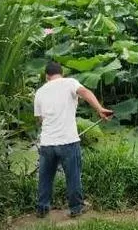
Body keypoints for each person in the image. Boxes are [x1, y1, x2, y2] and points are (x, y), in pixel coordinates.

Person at [33, 61, 113, 218]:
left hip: (47, 143)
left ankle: (42, 208)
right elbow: (85, 92)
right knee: (73, 176)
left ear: (46, 76)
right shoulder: (70, 82)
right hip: (68, 141)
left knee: (45, 177)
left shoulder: (40, 91)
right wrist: (100, 109)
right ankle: (76, 208)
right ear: (61, 73)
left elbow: (40, 119)